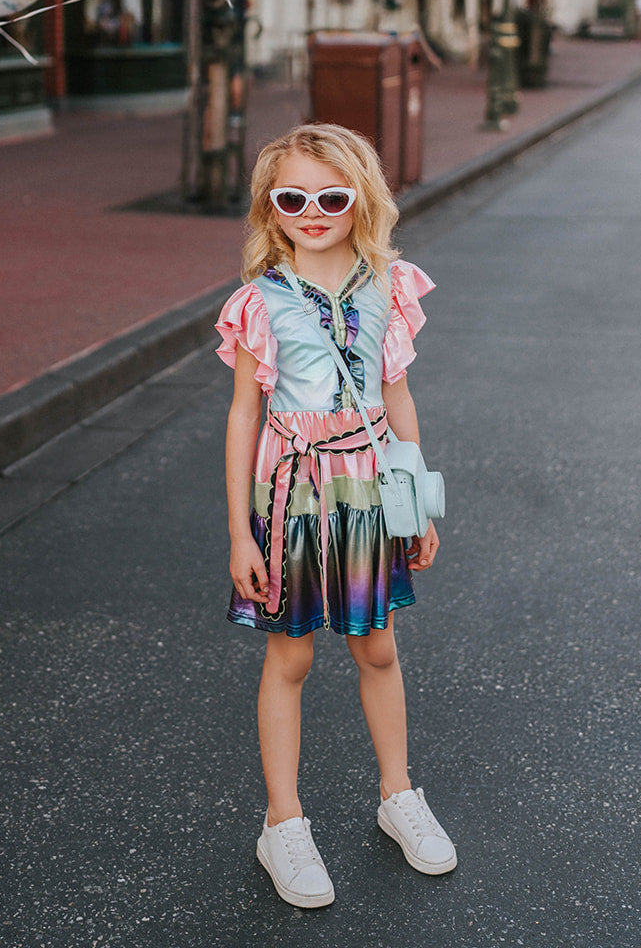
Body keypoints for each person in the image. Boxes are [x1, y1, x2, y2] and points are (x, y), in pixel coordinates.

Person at [216, 123, 455, 909]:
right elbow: (243, 419)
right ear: (270, 207)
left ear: (360, 199)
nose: (311, 211)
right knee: (289, 659)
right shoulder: (260, 301)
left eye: (330, 195)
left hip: (367, 488)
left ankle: (399, 798)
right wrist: (238, 533)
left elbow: (399, 398)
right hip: (287, 493)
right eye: (292, 197)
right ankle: (282, 821)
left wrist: (417, 502)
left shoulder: (391, 285)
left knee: (376, 647)